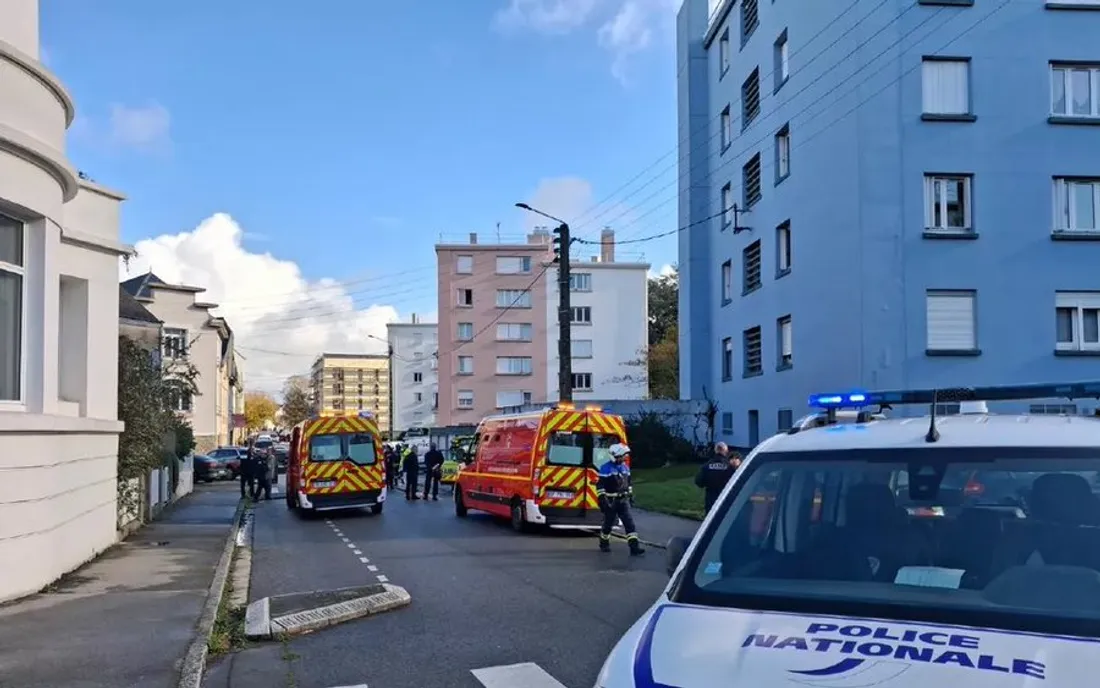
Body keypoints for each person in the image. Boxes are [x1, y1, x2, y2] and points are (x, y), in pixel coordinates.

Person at [596, 443, 645, 556]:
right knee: (608, 525)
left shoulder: (625, 467)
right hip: (610, 501)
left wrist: (630, 496)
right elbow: (600, 485)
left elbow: (629, 483)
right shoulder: (605, 468)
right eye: (623, 455)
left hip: (623, 501)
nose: (625, 457)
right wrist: (602, 499)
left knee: (630, 524)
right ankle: (604, 543)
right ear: (616, 456)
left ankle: (634, 547)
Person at [695, 442, 742, 513]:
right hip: (725, 499)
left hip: (711, 500)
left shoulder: (706, 466)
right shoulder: (730, 466)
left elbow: (698, 482)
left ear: (715, 451)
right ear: (726, 451)